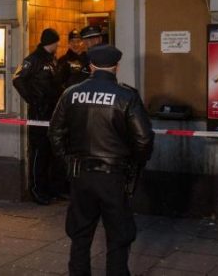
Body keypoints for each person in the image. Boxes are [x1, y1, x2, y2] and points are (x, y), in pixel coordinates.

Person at [48, 44, 154, 276]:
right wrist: (135, 165)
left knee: (80, 233)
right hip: (114, 176)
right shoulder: (127, 96)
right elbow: (144, 139)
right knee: (118, 234)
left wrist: (67, 161)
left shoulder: (71, 93)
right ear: (116, 67)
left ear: (91, 66)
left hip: (80, 175)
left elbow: (55, 133)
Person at [12, 28, 61, 205]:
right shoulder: (33, 59)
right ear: (51, 42)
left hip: (52, 112)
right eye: (56, 42)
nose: (58, 45)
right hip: (39, 113)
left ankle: (48, 188)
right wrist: (33, 100)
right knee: (39, 152)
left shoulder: (52, 59)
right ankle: (36, 190)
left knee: (49, 152)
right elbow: (17, 79)